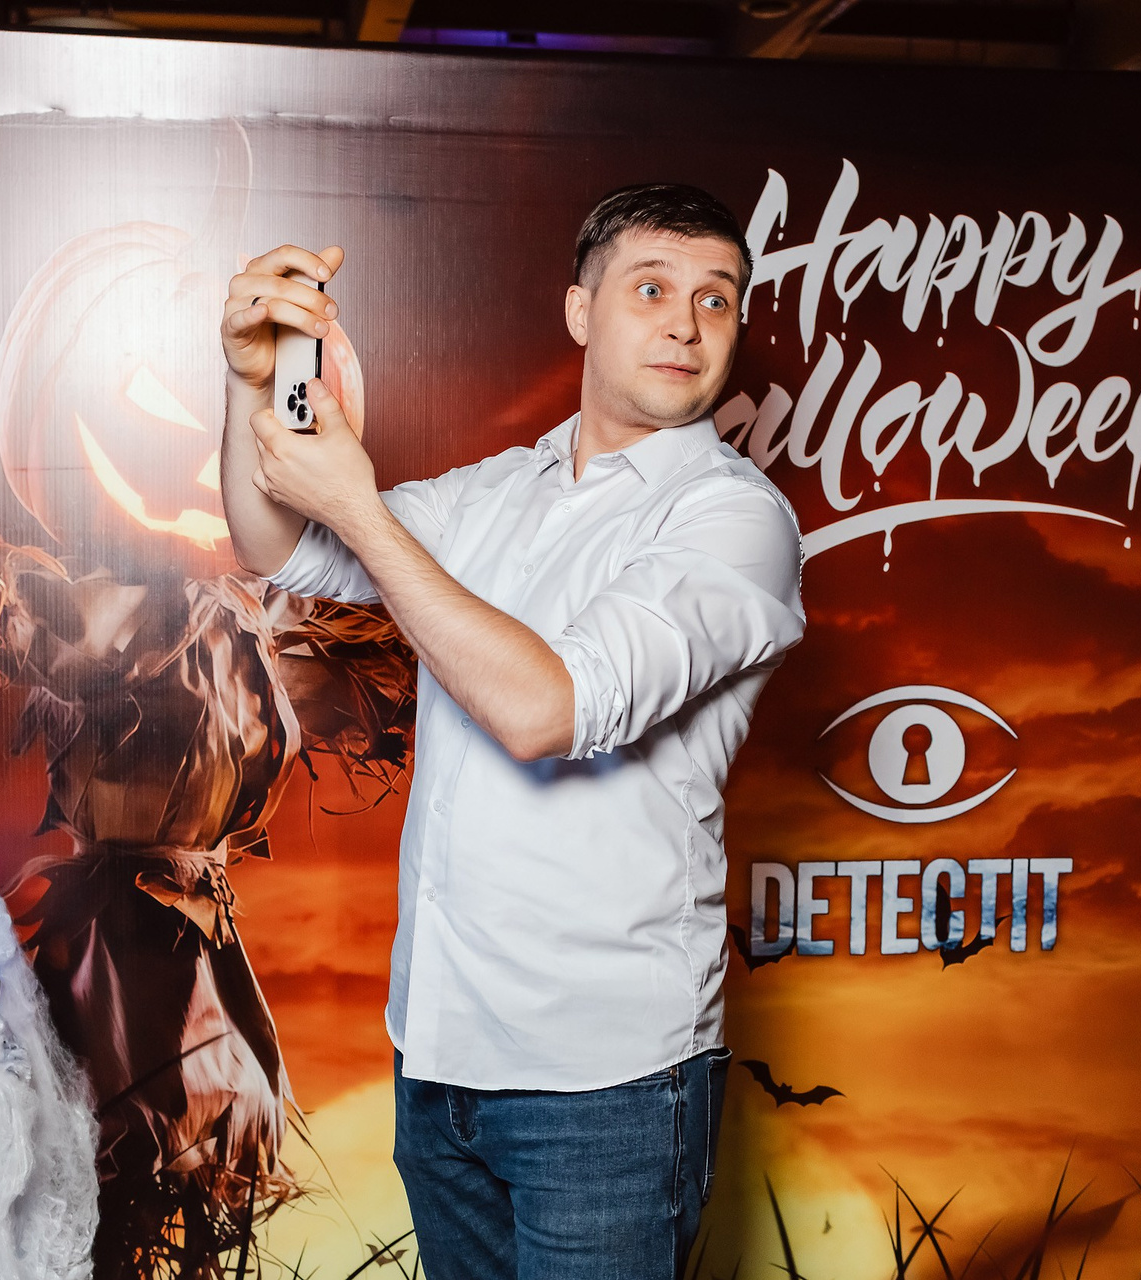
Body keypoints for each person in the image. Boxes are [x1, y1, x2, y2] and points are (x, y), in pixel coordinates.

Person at [217, 183, 807, 1279]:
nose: (687, 323)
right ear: (580, 311)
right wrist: (267, 374)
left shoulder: (733, 518)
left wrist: (361, 509)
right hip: (441, 1056)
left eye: (716, 298)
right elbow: (286, 544)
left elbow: (548, 710)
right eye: (651, 288)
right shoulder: (499, 491)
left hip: (607, 1084)